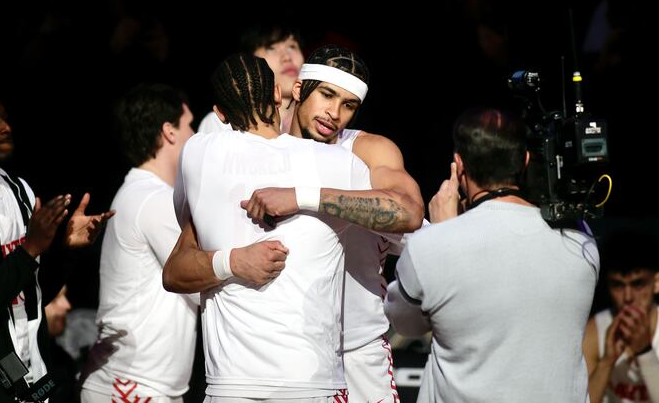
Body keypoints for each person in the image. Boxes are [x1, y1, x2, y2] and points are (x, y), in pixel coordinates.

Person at [163, 53, 385, 402]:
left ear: (218, 114)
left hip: (228, 387)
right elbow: (404, 213)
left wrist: (229, 260)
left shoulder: (198, 154)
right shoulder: (338, 163)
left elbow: (177, 265)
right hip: (309, 385)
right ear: (279, 96)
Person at [238, 44, 424, 402]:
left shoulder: (366, 150)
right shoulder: (258, 149)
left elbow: (409, 212)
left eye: (349, 104)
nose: (335, 113)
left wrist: (302, 196)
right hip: (281, 350)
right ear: (298, 89)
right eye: (327, 94)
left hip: (356, 352)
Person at [384, 107, 600, 402]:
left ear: (459, 165)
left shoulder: (432, 246)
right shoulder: (581, 239)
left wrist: (441, 231)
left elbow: (405, 323)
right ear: (525, 161)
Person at [0, 91, 113, 403]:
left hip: (33, 365)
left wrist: (65, 250)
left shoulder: (19, 191)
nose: (5, 127)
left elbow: (33, 292)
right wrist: (30, 249)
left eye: (5, 119)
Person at [80, 83, 200, 403]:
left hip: (140, 384)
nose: (195, 137)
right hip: (131, 384)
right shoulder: (153, 199)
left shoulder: (141, 192)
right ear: (169, 132)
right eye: (190, 126)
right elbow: (201, 281)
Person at [582, 230, 659, 403]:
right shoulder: (595, 330)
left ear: (656, 283)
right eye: (618, 285)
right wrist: (607, 361)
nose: (628, 297)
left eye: (638, 284)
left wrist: (644, 351)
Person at [198, 23, 304, 134]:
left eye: (292, 46)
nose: (287, 57)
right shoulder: (219, 124)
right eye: (270, 48)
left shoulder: (319, 119)